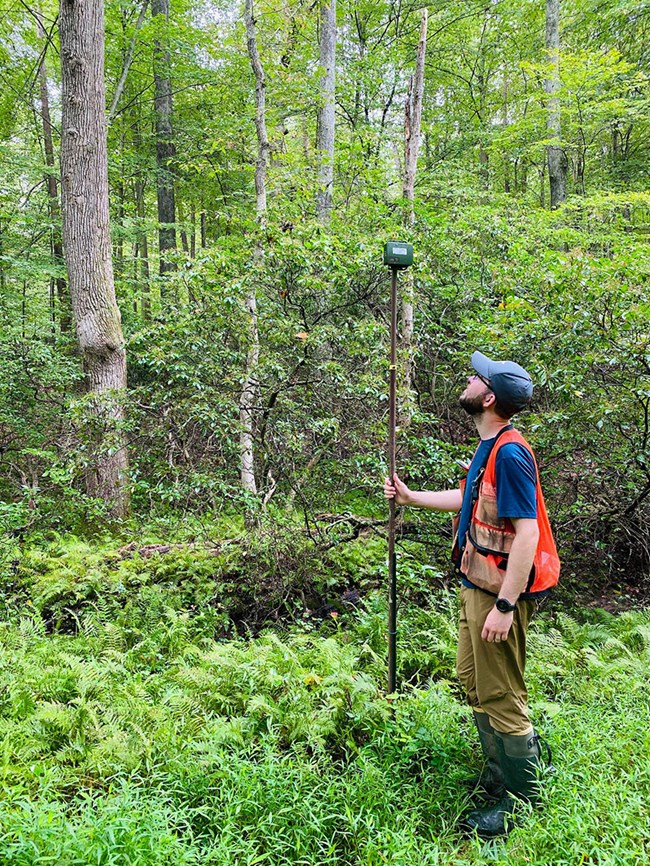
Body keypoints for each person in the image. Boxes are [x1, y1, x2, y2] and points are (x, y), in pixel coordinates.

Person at [384, 351, 560, 838]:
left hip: (499, 591)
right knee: (472, 679)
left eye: (476, 378)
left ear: (487, 397)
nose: (467, 379)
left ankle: (522, 801)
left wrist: (505, 605)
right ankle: (503, 770)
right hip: (475, 582)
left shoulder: (510, 452)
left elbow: (526, 534)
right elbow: (470, 500)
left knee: (500, 693)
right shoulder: (489, 445)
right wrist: (411, 497)